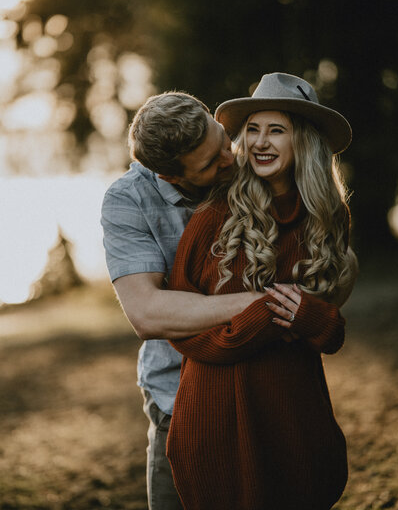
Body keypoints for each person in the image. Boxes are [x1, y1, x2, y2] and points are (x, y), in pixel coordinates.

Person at [166, 72, 357, 510]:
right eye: (251, 129)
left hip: (293, 414)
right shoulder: (214, 216)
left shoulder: (329, 220)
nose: (259, 142)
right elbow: (181, 330)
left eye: (276, 130)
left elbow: (328, 328)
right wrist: (265, 317)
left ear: (304, 141)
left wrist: (313, 319)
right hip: (215, 420)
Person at [101, 91, 274, 510]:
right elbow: (146, 312)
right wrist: (262, 303)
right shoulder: (128, 200)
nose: (229, 161)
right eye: (210, 164)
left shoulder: (250, 164)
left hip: (261, 387)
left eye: (222, 141)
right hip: (176, 400)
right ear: (172, 177)